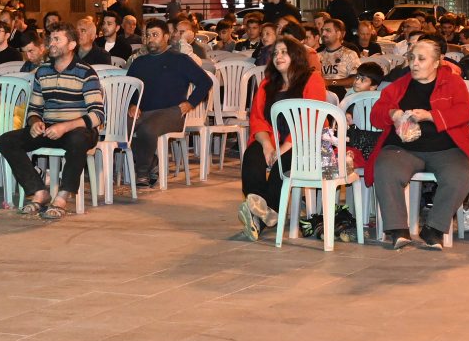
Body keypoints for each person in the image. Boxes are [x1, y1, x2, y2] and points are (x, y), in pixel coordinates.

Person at [366, 35, 469, 251]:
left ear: (436, 63)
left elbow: (465, 112)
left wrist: (430, 115)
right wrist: (394, 113)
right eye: (412, 58)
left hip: (445, 148)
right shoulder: (398, 85)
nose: (415, 63)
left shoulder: (453, 83)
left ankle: (434, 229)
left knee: (461, 174)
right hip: (404, 149)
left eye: (421, 59)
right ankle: (397, 230)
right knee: (385, 167)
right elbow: (376, 114)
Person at [0, 24, 106, 220]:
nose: (52, 43)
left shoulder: (85, 72)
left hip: (77, 129)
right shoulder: (43, 71)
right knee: (7, 140)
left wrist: (65, 126)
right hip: (50, 129)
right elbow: (34, 109)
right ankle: (39, 191)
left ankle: (63, 196)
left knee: (78, 139)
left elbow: (98, 115)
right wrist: (35, 122)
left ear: (72, 44)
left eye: (58, 39)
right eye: (51, 39)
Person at [236, 36, 327, 240]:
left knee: (281, 167)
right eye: (275, 53)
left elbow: (311, 118)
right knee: (252, 156)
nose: (278, 56)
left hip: (307, 142)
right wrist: (267, 145)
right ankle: (262, 213)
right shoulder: (268, 84)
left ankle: (261, 213)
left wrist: (285, 147)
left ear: (296, 55)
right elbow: (258, 119)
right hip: (274, 140)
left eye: (284, 52)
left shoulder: (312, 79)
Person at [125, 22, 214, 182]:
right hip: (142, 111)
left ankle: (142, 172)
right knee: (121, 126)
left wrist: (190, 103)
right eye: (147, 35)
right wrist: (132, 104)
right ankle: (152, 162)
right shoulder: (138, 63)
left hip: (172, 112)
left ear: (166, 37)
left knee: (147, 129)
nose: (150, 39)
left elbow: (205, 82)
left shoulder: (180, 59)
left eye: (155, 35)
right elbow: (130, 88)